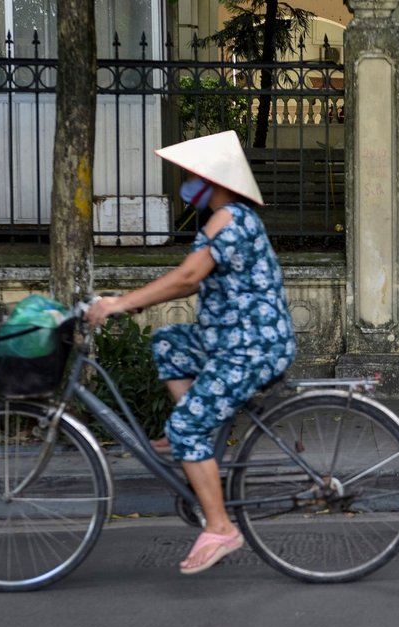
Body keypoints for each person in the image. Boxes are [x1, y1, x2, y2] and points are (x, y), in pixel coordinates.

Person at [85, 130, 296, 574]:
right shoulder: (225, 218)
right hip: (226, 340)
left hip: (250, 348)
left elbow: (187, 278)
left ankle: (220, 525)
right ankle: (200, 435)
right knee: (168, 343)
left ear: (212, 179)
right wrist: (132, 300)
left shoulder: (231, 220)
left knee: (185, 428)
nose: (186, 181)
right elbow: (188, 278)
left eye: (191, 174)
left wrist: (122, 303)